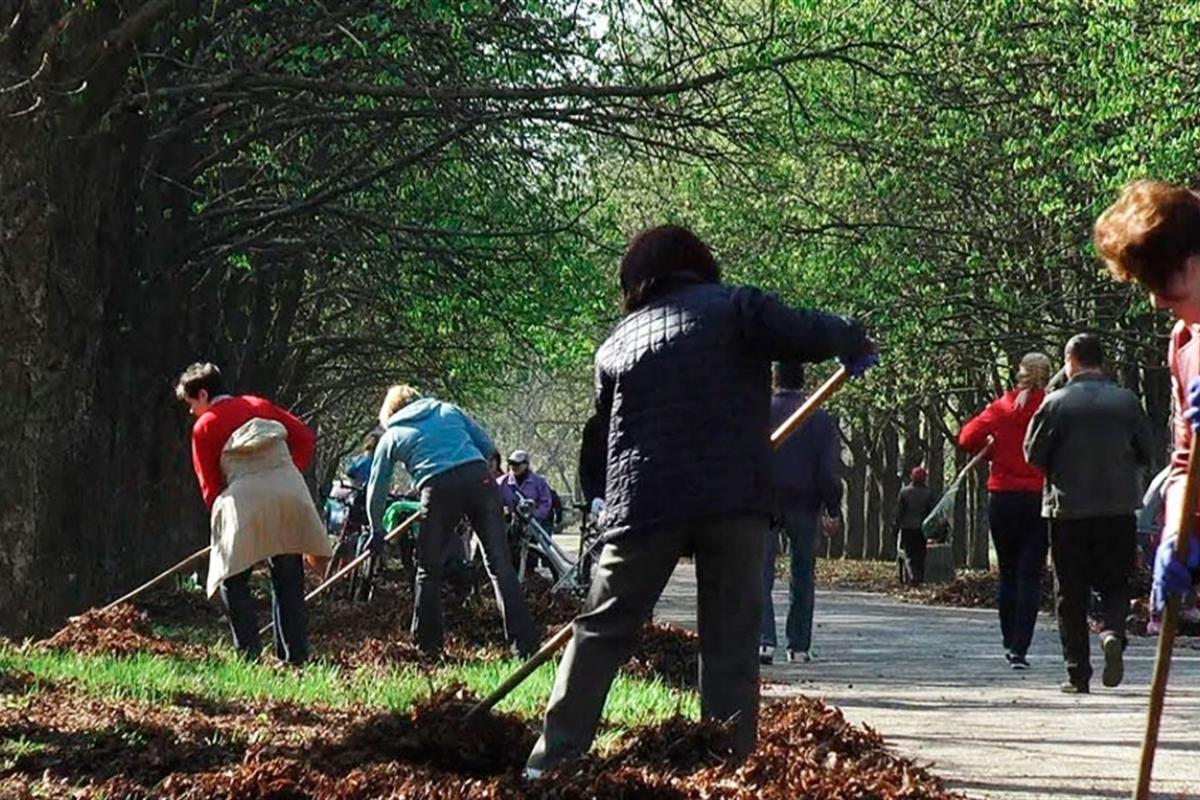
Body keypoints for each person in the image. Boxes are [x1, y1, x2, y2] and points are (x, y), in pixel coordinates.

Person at [524, 224, 876, 777]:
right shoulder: (738, 306)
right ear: (700, 264)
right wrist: (852, 340)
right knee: (731, 640)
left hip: (644, 504)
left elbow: (604, 427)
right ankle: (728, 764)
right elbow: (806, 331)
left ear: (637, 280)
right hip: (732, 497)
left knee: (600, 629)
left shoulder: (616, 342)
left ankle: (552, 758)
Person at [1094, 180, 1200, 632]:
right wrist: (1178, 529)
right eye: (1145, 284)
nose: (1155, 299)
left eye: (1161, 280)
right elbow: (1184, 460)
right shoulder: (1184, 345)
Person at [366, 385, 539, 658]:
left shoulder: (393, 436)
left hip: (438, 490)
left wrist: (376, 529)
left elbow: (376, 487)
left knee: (428, 569)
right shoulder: (448, 410)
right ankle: (525, 645)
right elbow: (488, 448)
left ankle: (428, 647)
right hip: (479, 481)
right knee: (499, 565)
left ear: (389, 412)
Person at [175, 362, 331, 665]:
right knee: (287, 577)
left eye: (191, 403)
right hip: (289, 493)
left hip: (243, 499)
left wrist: (223, 521)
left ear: (204, 394)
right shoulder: (259, 404)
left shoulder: (204, 426)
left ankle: (249, 656)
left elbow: (210, 484)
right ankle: (295, 657)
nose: (191, 411)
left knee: (232, 580)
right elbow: (305, 439)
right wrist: (284, 472)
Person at [1023, 334, 1152, 693]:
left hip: (1068, 510)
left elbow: (1033, 454)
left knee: (1071, 592)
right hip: (1119, 507)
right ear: (1102, 361)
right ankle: (1112, 632)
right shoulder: (1127, 402)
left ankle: (1077, 673)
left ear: (1071, 361)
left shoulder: (1056, 403)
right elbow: (1146, 450)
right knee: (1115, 582)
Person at [958, 352, 1052, 670]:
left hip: (1003, 498)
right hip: (1039, 498)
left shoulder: (1000, 407)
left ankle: (1007, 638)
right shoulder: (1051, 407)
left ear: (1019, 374)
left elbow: (966, 437)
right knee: (1030, 576)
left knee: (1008, 573)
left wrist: (992, 451)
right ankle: (1020, 648)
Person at [759, 361, 842, 666]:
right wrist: (832, 507)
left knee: (760, 573)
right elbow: (828, 470)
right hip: (805, 505)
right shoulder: (819, 418)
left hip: (765, 502)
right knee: (803, 575)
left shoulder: (759, 412)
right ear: (803, 381)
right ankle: (799, 646)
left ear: (773, 379)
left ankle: (764, 641)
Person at [895, 466, 938, 586]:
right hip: (922, 529)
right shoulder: (929, 493)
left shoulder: (904, 492)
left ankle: (911, 576)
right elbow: (933, 512)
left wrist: (896, 527)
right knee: (921, 554)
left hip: (907, 528)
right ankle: (919, 577)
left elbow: (899, 512)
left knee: (909, 553)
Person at [497, 450, 555, 531]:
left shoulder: (539, 482)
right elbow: (494, 503)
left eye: (517, 464)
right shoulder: (500, 483)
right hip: (509, 526)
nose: (514, 467)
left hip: (535, 524)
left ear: (526, 464)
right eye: (512, 463)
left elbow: (545, 503)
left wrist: (534, 515)